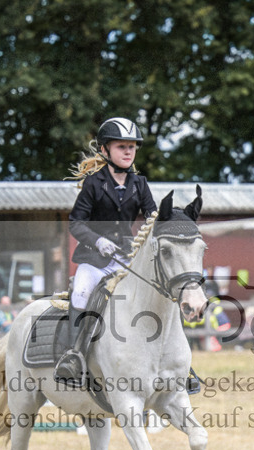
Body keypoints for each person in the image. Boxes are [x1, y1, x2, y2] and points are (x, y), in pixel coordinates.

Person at [54, 116, 157, 385]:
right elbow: (76, 223)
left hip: (125, 258)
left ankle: (170, 360)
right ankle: (73, 354)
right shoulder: (93, 184)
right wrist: (97, 240)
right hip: (95, 259)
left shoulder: (140, 184)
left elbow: (152, 218)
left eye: (132, 147)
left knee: (156, 292)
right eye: (121, 146)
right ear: (105, 150)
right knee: (82, 291)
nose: (127, 152)